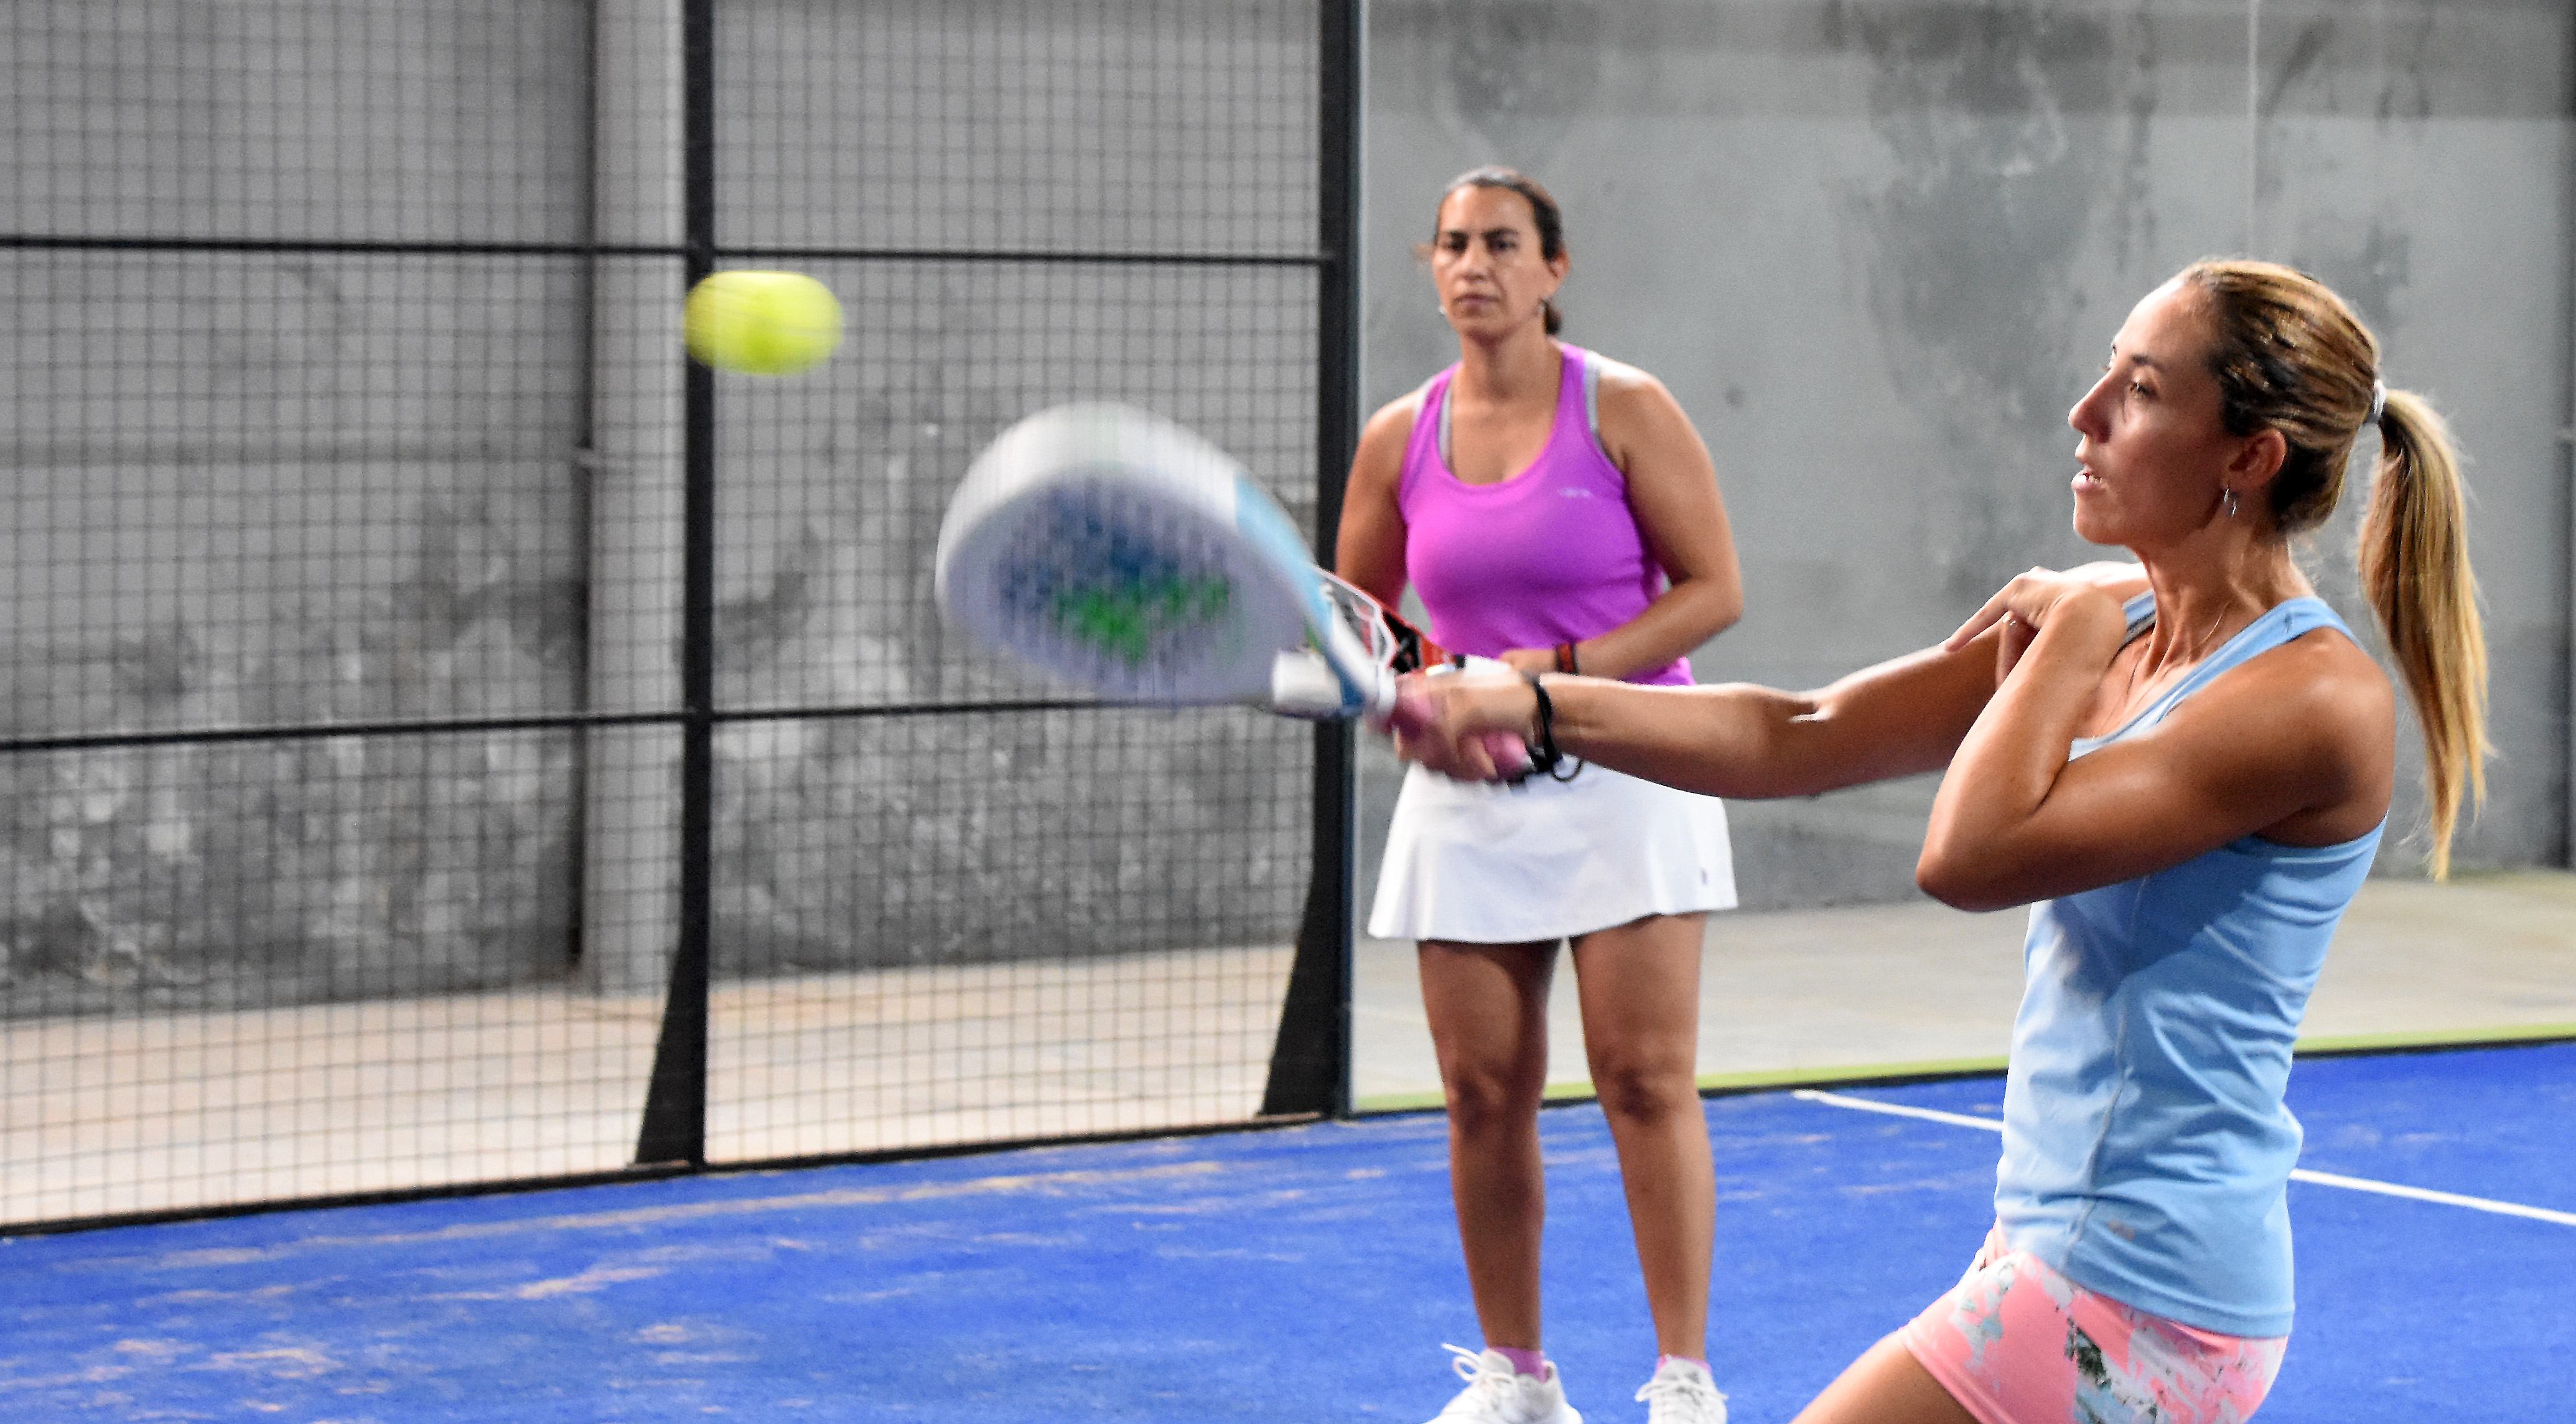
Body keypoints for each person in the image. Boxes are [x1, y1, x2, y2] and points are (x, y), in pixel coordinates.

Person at [1388, 258, 2486, 1424]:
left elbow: (1968, 858)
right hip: (2058, 1253)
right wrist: (1531, 702)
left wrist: (2071, 639)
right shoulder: (2118, 619)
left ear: (2249, 459)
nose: (2085, 413)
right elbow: (1804, 732)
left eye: (2143, 391)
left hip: (2144, 1299)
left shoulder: (2311, 701)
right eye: (2107, 370)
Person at [1338, 167, 1746, 1424]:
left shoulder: (1627, 407)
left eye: (1502, 244)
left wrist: (1547, 679)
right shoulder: (1398, 438)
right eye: (1453, 244)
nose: (1474, 265)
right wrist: (1410, 712)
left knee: (1643, 1078)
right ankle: (1518, 1381)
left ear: (1552, 270)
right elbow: (1362, 627)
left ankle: (1683, 1382)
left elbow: (1714, 590)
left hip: (1633, 767)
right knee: (1481, 1094)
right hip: (1470, 800)